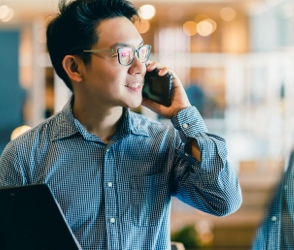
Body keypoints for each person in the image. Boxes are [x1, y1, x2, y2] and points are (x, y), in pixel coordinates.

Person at [0, 0, 242, 249]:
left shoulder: (163, 142)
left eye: (140, 52)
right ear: (74, 67)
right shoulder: (25, 156)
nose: (140, 67)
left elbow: (224, 201)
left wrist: (185, 115)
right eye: (123, 54)